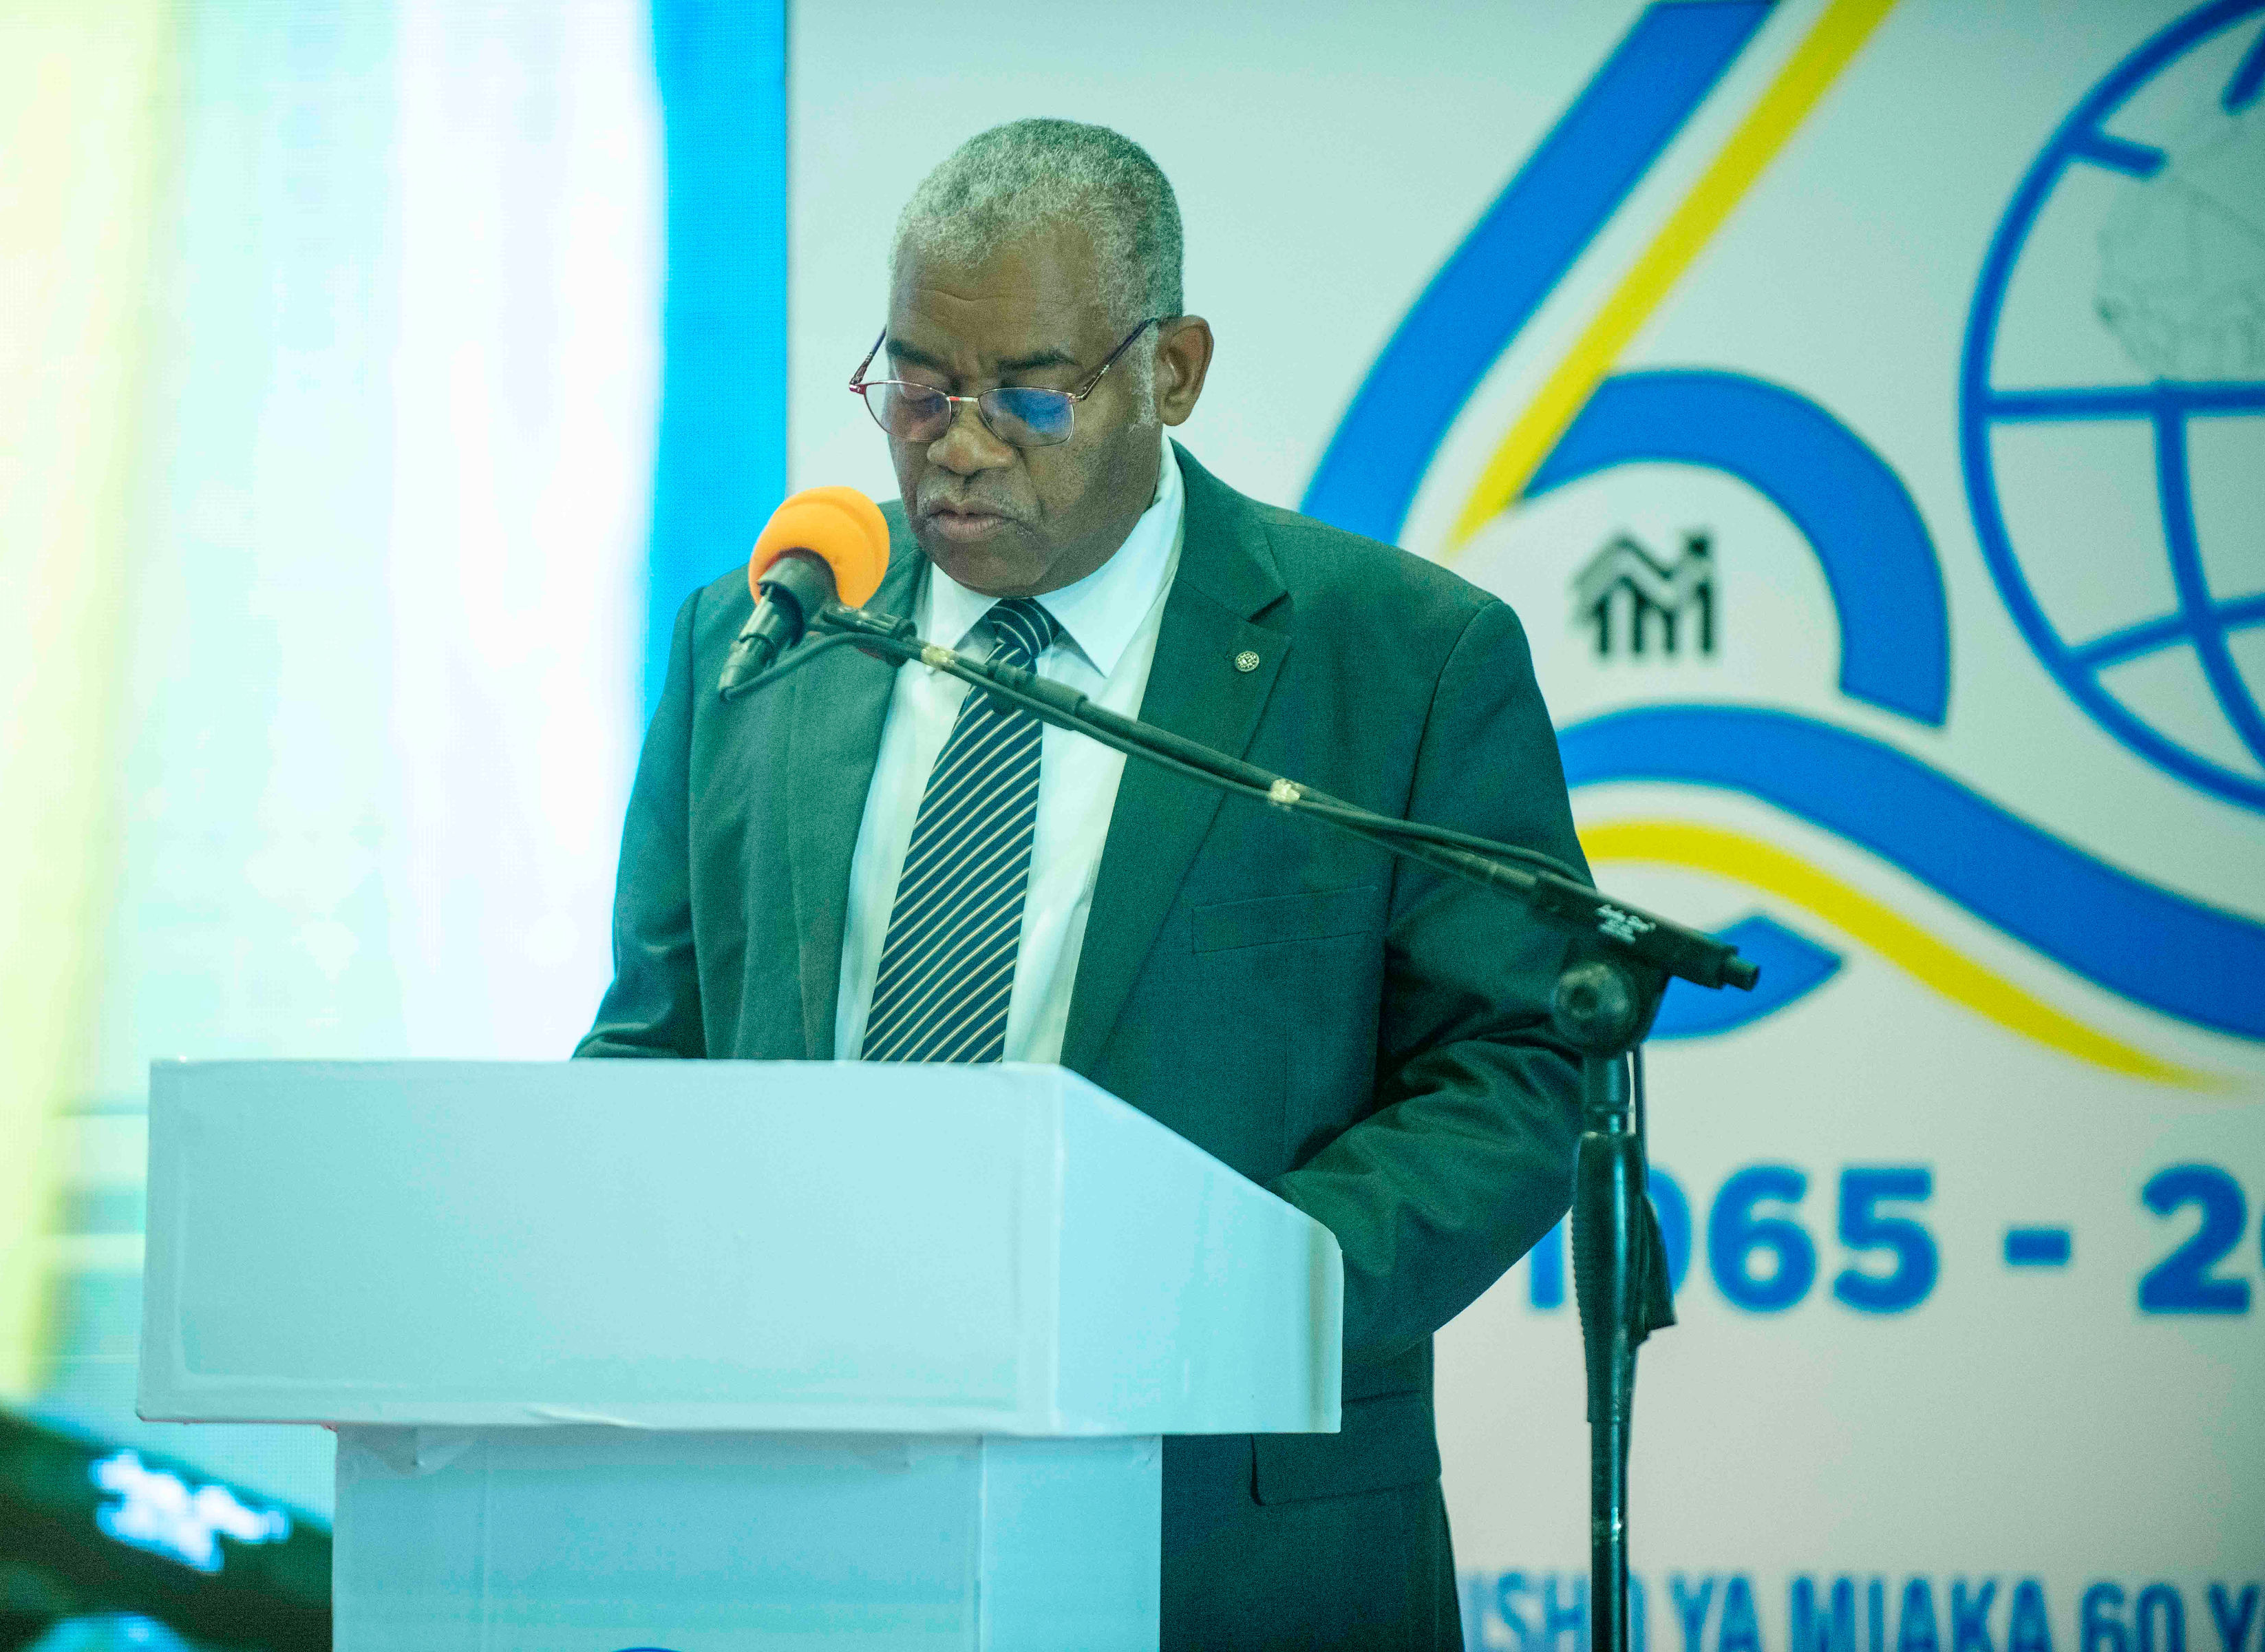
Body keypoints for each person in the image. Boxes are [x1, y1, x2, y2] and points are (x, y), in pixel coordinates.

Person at [580, 118, 1585, 1651]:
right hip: (799, 1527)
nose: (958, 442)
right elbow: (659, 1045)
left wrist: (1231, 1291)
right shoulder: (766, 638)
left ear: (1168, 373)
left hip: (1225, 1533)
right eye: (915, 384)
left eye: (1028, 391)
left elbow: (1515, 1071)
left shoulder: (1400, 660)